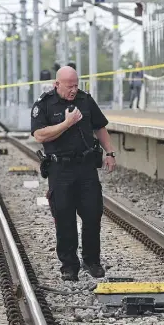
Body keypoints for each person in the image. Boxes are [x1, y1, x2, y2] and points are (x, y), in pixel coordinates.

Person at [31, 66, 116, 282]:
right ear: (57, 84)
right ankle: (69, 266)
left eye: (76, 85)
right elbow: (40, 135)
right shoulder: (45, 104)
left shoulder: (85, 100)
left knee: (92, 215)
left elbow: (100, 127)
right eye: (70, 86)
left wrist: (110, 152)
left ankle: (92, 261)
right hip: (60, 170)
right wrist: (66, 123)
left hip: (86, 167)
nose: (73, 90)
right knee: (64, 217)